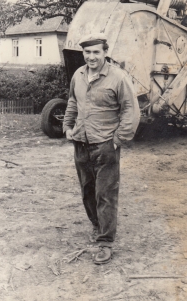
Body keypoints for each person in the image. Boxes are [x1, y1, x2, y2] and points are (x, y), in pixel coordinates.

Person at [63, 33, 140, 265]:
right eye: (87, 52)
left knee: (105, 194)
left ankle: (105, 243)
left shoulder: (118, 77)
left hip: (106, 144)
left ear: (105, 52)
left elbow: (131, 111)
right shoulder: (78, 75)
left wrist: (118, 140)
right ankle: (98, 226)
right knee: (87, 190)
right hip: (81, 143)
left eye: (96, 52)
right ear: (83, 54)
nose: (91, 57)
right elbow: (73, 102)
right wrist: (67, 125)